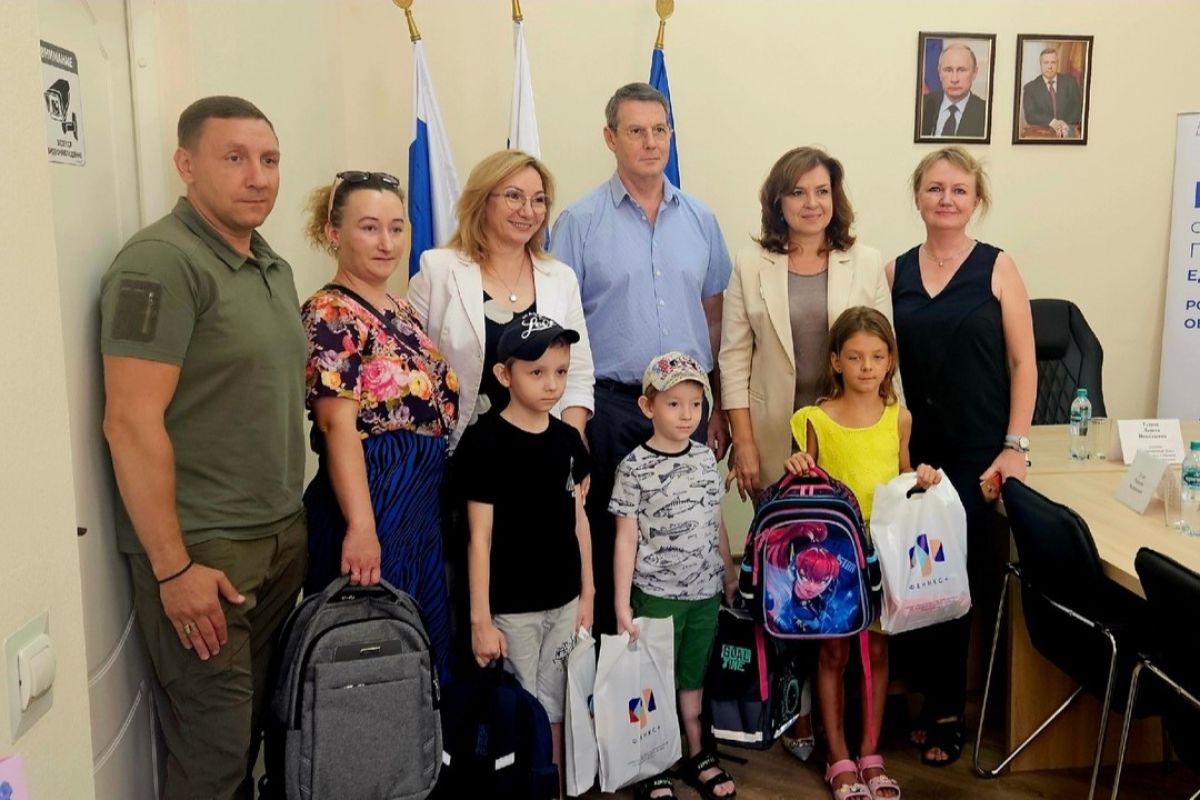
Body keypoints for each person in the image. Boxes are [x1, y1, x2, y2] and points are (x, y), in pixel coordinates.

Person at [100, 95, 307, 800]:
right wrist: (173, 567)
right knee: (213, 759)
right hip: (205, 554)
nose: (258, 176)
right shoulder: (159, 263)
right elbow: (129, 422)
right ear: (186, 165)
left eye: (269, 159)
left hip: (277, 541)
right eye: (234, 158)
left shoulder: (270, 264)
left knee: (249, 743)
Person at [720, 145, 891, 762]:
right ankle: (795, 711)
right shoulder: (751, 264)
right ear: (778, 202)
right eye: (797, 192)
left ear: (834, 199)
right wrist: (743, 441)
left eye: (821, 191)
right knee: (790, 582)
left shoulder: (864, 261)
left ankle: (839, 718)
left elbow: (884, 350)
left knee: (839, 579)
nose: (811, 203)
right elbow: (734, 357)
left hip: (844, 440)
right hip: (776, 440)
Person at [552, 82, 733, 636]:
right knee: (613, 539)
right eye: (636, 131)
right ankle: (615, 663)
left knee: (685, 537)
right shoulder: (579, 223)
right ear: (611, 138)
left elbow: (715, 317)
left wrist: (716, 407)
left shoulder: (700, 220)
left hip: (688, 409)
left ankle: (680, 671)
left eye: (660, 130)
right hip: (611, 408)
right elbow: (560, 326)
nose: (651, 142)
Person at [886, 146, 1036, 767]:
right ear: (917, 196)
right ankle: (917, 697)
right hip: (913, 452)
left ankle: (950, 710)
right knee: (912, 575)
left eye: (959, 190)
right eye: (935, 188)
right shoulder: (894, 271)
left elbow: (1023, 362)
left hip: (979, 453)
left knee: (958, 582)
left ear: (976, 201)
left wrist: (1015, 446)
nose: (946, 199)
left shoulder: (998, 267)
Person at [299, 170, 459, 681]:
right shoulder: (330, 312)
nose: (386, 243)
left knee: (420, 656)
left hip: (419, 509)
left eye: (396, 228)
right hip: (371, 504)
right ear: (333, 233)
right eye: (369, 228)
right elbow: (336, 426)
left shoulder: (401, 308)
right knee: (372, 664)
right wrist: (362, 528)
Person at [784, 307, 940, 800]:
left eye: (876, 356)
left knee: (876, 650)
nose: (866, 366)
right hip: (833, 554)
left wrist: (922, 478)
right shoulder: (813, 419)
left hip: (884, 550)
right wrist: (797, 464)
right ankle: (838, 756)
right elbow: (807, 483)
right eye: (854, 357)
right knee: (832, 651)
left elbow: (902, 476)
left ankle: (870, 752)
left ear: (890, 361)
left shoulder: (899, 418)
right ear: (836, 361)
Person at [455, 312, 594, 795]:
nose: (552, 384)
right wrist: (480, 620)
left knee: (555, 706)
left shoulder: (568, 441)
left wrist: (589, 592)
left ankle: (548, 786)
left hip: (564, 602)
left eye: (560, 371)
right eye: (537, 372)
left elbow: (579, 520)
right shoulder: (484, 442)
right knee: (519, 707)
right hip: (512, 611)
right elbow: (479, 537)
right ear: (504, 375)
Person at [611, 352, 739, 800]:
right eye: (673, 404)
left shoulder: (705, 459)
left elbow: (715, 521)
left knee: (692, 677)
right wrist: (621, 602)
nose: (687, 415)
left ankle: (697, 751)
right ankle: (653, 761)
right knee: (654, 680)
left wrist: (727, 576)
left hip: (704, 594)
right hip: (656, 595)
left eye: (695, 404)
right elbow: (626, 538)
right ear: (648, 407)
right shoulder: (633, 467)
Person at [409, 150, 593, 451]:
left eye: (538, 200)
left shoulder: (561, 278)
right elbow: (412, 370)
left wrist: (570, 451)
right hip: (460, 454)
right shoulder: (438, 270)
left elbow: (578, 375)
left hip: (544, 455)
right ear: (482, 201)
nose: (528, 211)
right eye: (514, 196)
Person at [921, 43, 988, 138]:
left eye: (962, 70)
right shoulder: (922, 105)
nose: (954, 79)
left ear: (974, 73)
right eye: (948, 70)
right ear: (939, 72)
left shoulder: (986, 112)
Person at [1021, 47, 1084, 137]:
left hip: (1068, 131)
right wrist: (1052, 122)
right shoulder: (1030, 88)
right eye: (1046, 63)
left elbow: (1077, 109)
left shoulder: (1071, 82)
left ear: (1057, 63)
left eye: (1053, 62)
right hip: (1042, 134)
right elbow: (1030, 115)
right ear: (1040, 65)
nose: (1050, 66)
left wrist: (1065, 125)